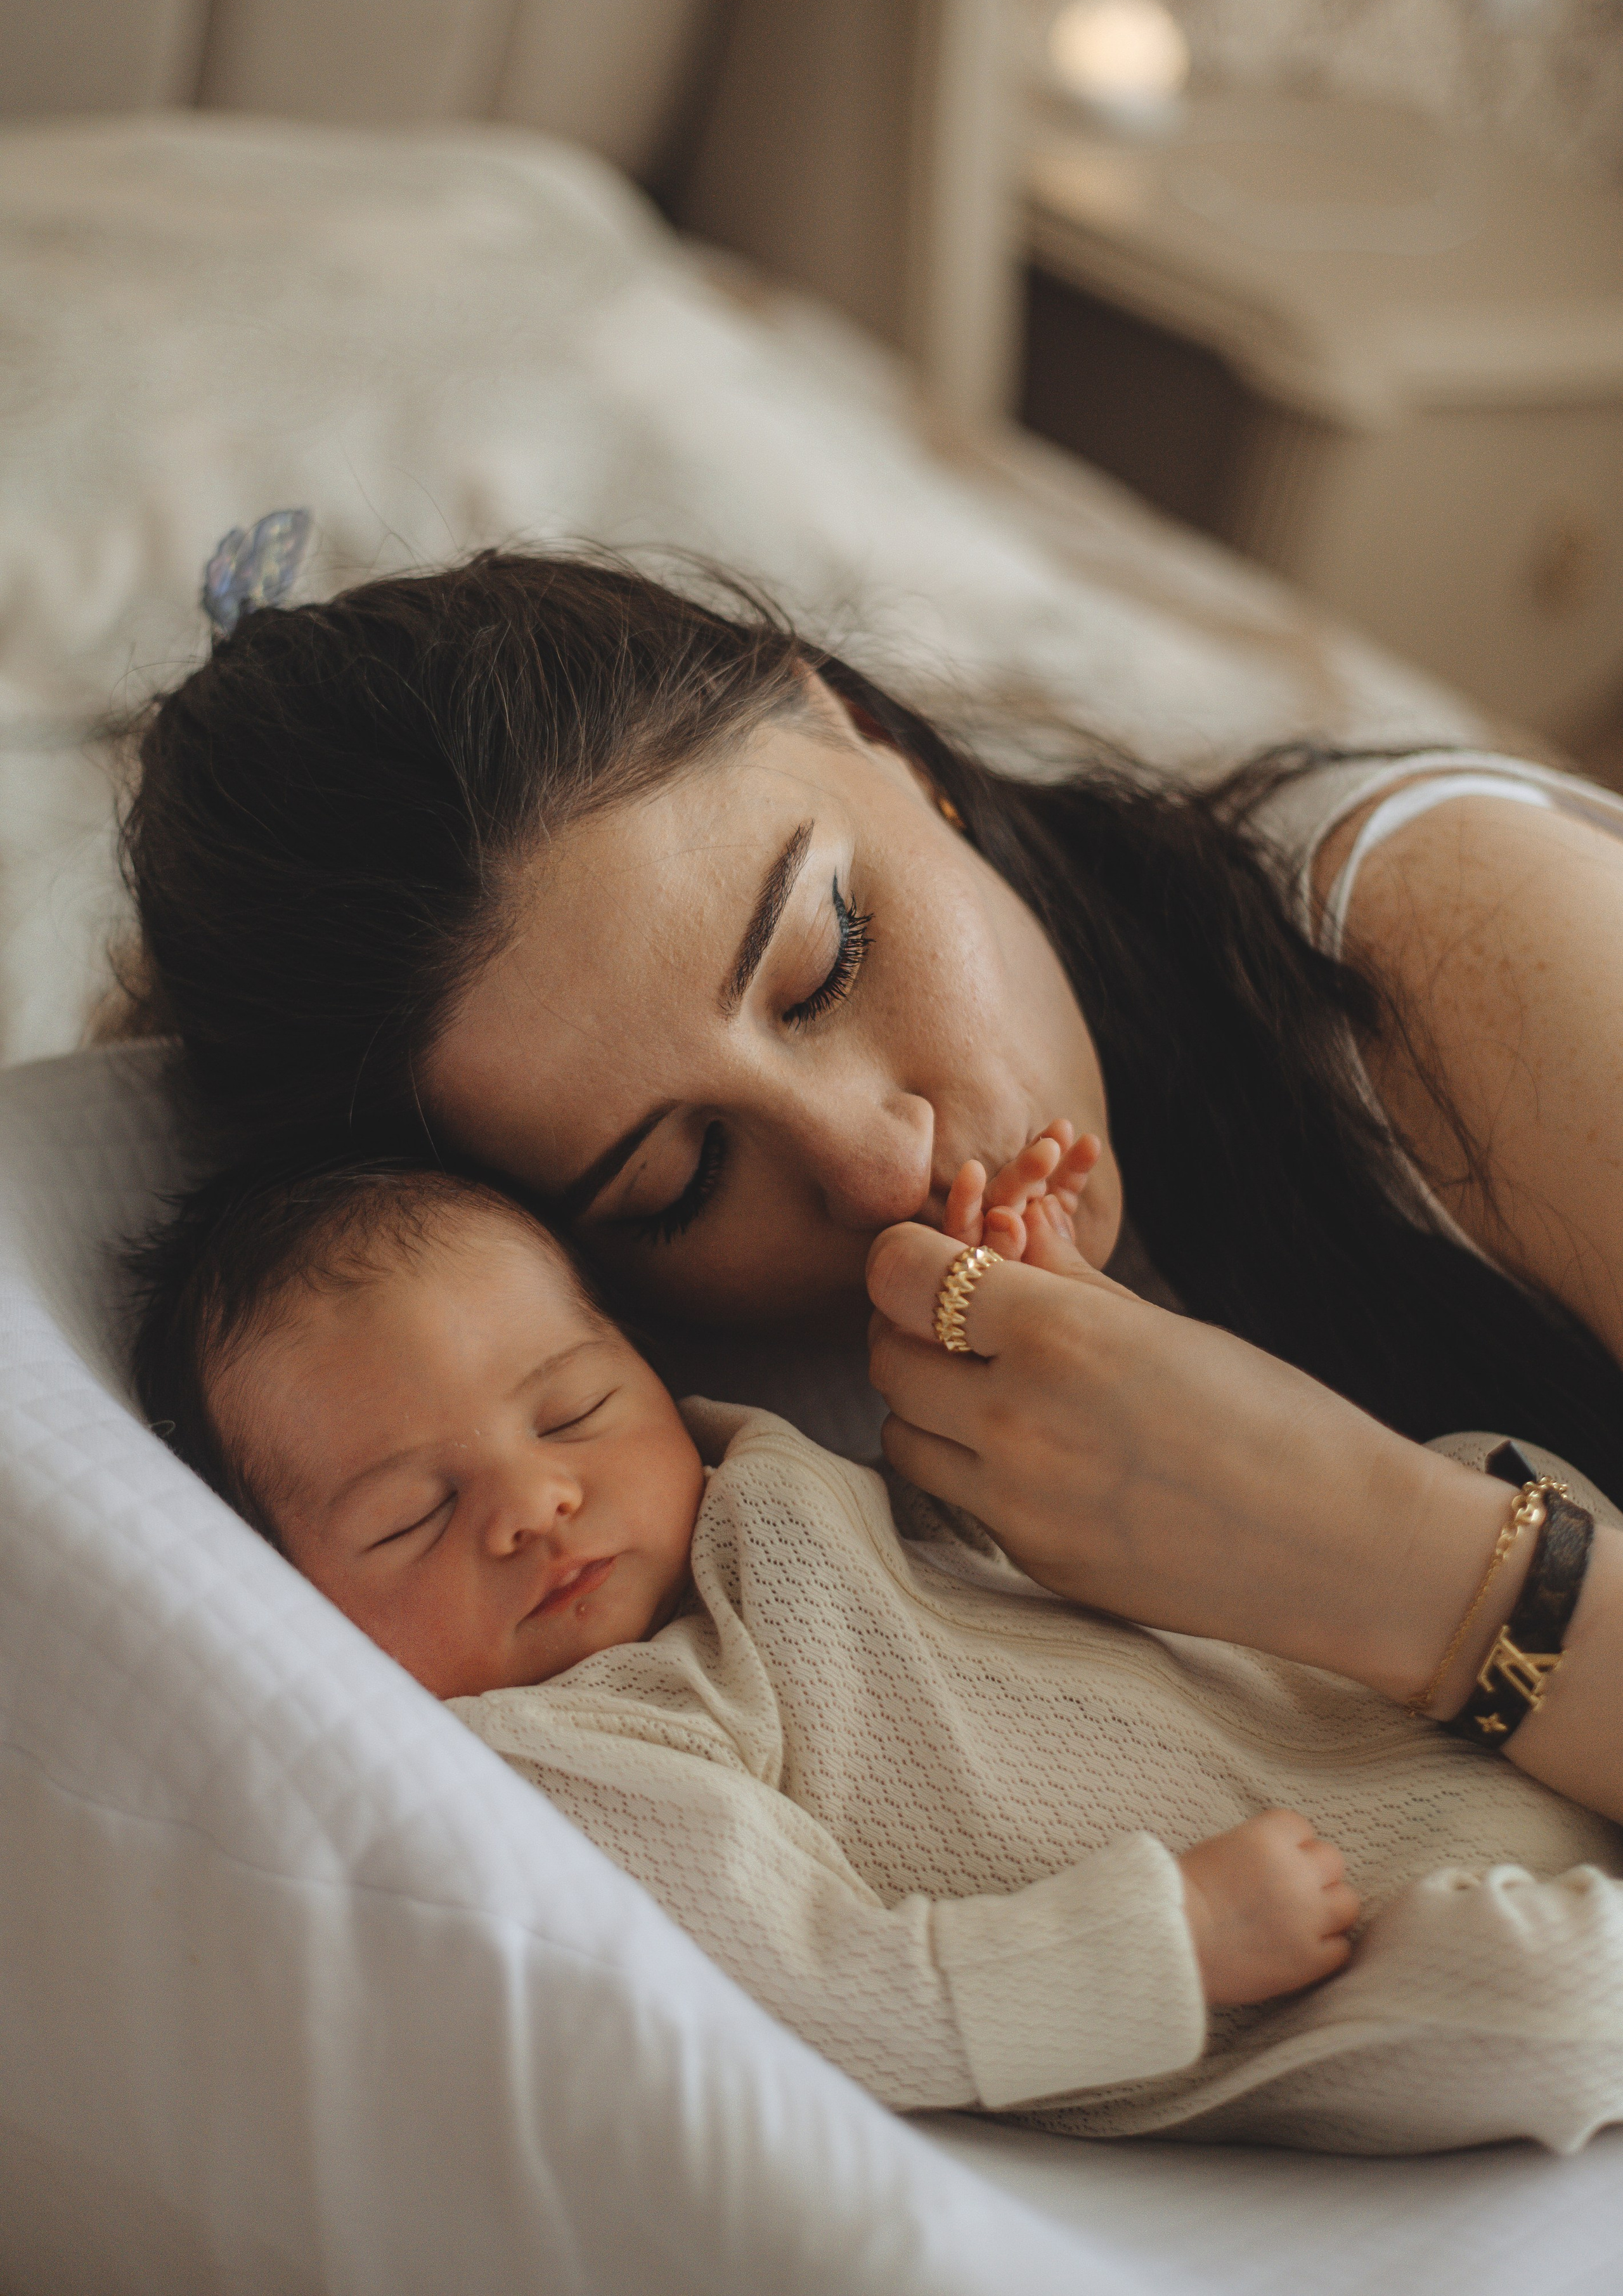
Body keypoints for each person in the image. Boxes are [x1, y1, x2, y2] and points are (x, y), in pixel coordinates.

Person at [120, 547, 1623, 1831]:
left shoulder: (1445, 945)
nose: (875, 1161)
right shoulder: (693, 1451)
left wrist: (1393, 1562)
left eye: (826, 958)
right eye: (679, 1176)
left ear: (868, 737)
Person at [126, 1151, 1623, 2153]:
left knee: (1505, 1470)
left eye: (572, 1408)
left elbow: (1047, 1515)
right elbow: (818, 1985)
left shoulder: (762, 1480)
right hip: (1280, 1949)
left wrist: (1033, 1307)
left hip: (1337, 1709)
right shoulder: (592, 1742)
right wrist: (1157, 1939)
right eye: (410, 1515)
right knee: (1541, 2005)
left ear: (644, 1371)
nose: (531, 1503)